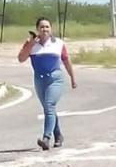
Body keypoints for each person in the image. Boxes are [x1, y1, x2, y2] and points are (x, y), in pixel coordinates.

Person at [19, 17, 77, 151]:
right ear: (37, 29)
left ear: (51, 29)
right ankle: (58, 135)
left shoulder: (58, 43)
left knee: (49, 105)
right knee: (48, 108)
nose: (44, 29)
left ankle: (46, 138)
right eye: (41, 27)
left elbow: (67, 61)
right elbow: (21, 59)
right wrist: (30, 45)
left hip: (55, 79)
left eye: (47, 27)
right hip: (39, 80)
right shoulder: (31, 44)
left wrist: (73, 78)